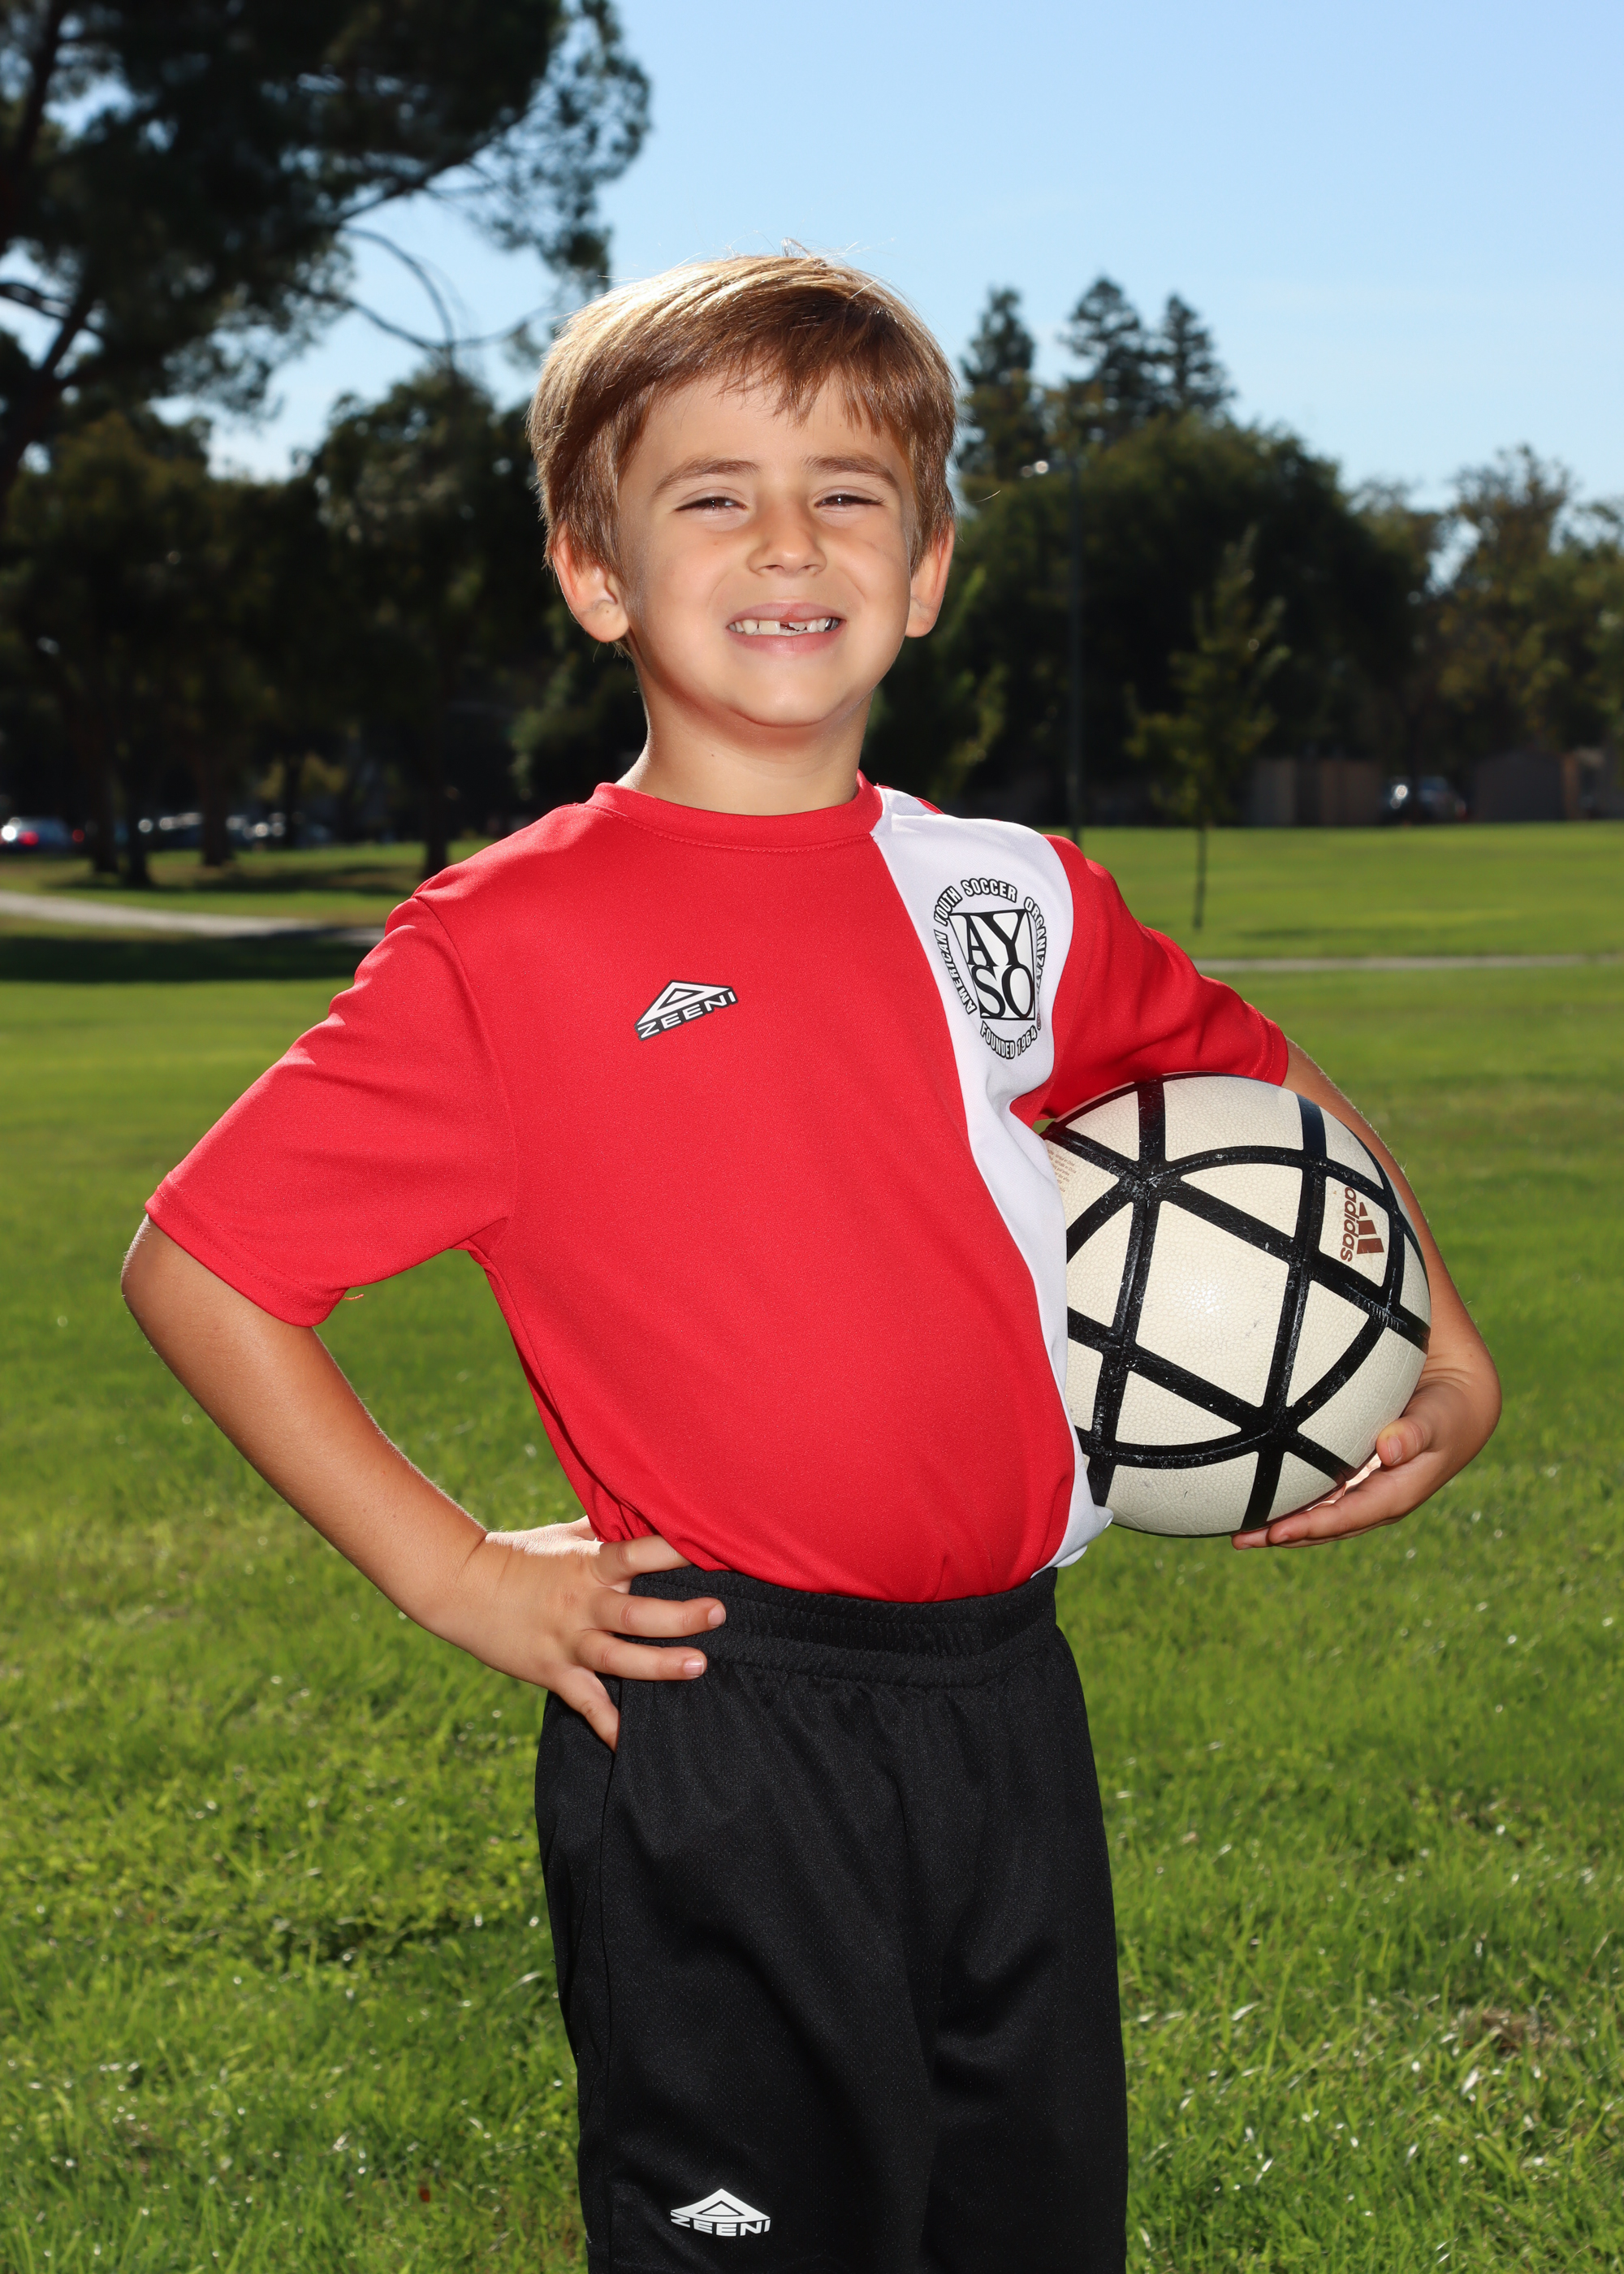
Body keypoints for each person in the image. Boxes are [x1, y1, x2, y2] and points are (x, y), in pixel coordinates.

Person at [122, 254, 1501, 2274]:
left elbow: (1250, 1075)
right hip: (722, 1711)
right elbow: (205, 1264)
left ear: (925, 567)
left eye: (850, 493)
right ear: (593, 570)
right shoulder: (508, 945)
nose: (788, 541)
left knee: (1025, 2225)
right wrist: (456, 1571)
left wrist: (1440, 1348)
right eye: (713, 495)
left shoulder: (1008, 895)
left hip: (1005, 1695)